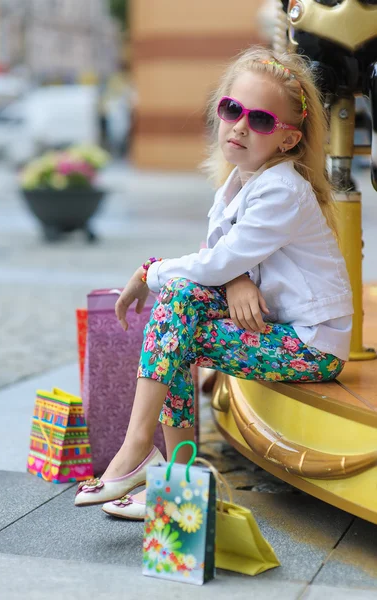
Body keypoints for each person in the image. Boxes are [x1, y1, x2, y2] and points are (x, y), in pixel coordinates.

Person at [75, 46, 353, 518]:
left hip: (312, 345)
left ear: (288, 140)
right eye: (232, 109)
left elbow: (216, 261)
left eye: (261, 120)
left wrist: (151, 272)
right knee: (176, 324)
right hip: (279, 328)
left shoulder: (282, 189)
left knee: (175, 317)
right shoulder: (238, 182)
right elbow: (222, 262)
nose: (241, 125)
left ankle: (146, 454)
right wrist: (235, 280)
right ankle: (168, 477)